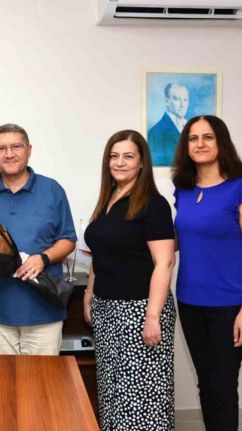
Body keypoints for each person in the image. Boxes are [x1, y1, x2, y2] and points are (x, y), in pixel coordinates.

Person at [83, 130, 176, 430]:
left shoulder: (153, 204)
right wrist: (89, 293)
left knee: (141, 400)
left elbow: (165, 262)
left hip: (139, 311)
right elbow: (100, 252)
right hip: (107, 310)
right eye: (114, 156)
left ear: (141, 162)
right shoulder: (107, 200)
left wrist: (152, 317)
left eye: (128, 156)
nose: (119, 162)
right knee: (112, 394)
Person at [0, 123, 76, 355]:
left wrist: (43, 259)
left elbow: (68, 240)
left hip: (44, 310)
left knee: (43, 378)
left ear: (29, 150)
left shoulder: (52, 190)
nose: (9, 154)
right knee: (1, 378)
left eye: (16, 146)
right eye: (2, 148)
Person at [172, 115, 242, 431]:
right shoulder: (183, 190)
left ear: (221, 142)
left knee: (223, 386)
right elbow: (177, 240)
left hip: (230, 306)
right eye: (193, 138)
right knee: (206, 383)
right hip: (189, 301)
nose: (199, 144)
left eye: (208, 137)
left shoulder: (238, 187)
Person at [149, 83, 189, 166]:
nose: (182, 105)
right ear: (167, 101)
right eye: (176, 99)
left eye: (185, 100)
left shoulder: (191, 126)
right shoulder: (155, 133)